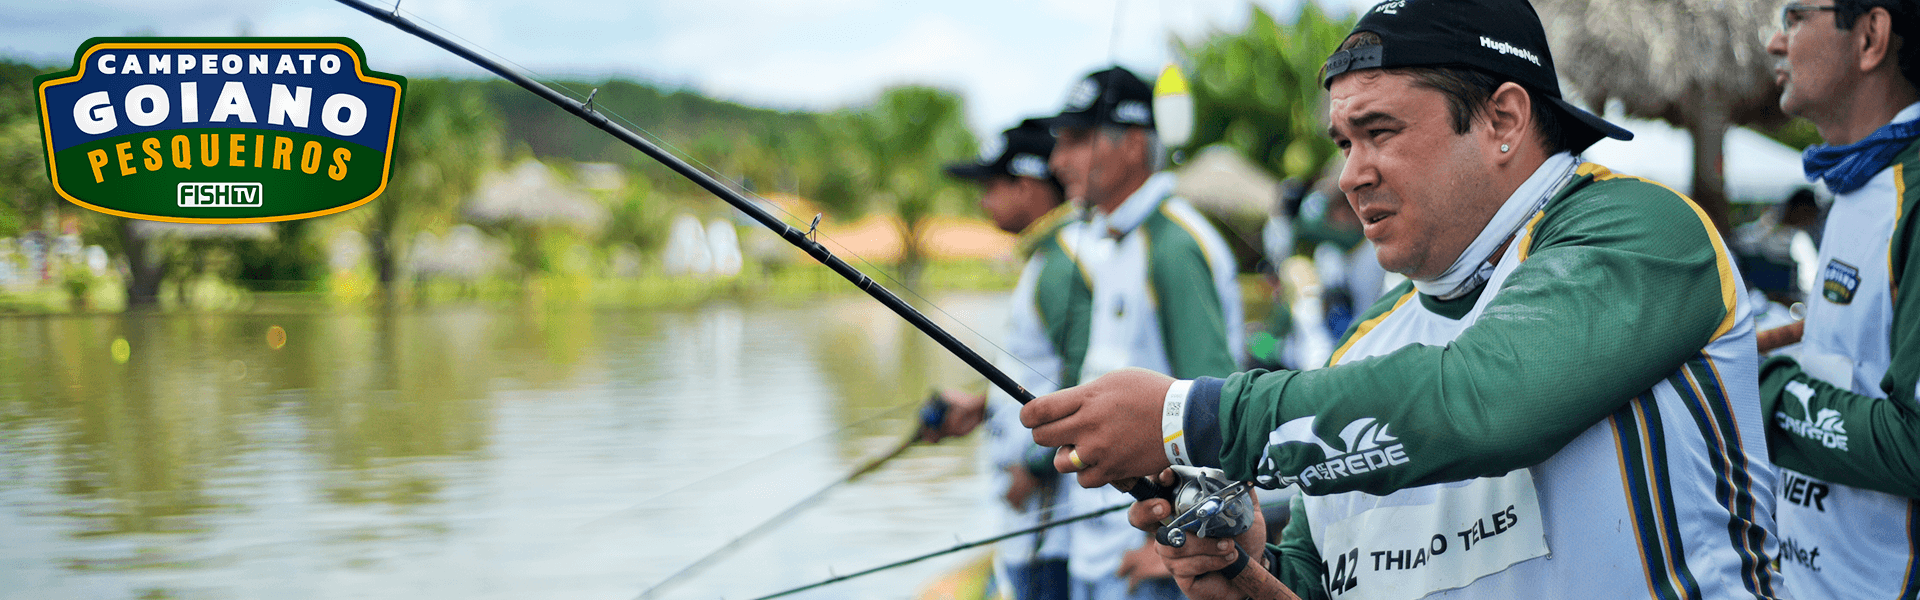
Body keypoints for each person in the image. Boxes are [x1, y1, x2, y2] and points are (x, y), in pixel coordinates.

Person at [1022, 0, 1781, 598]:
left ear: (1504, 120)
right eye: (1343, 142)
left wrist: (1188, 420)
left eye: (1379, 130)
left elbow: (1487, 401)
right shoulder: (1364, 347)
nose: (1352, 173)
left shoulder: (1640, 231)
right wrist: (1239, 577)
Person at [1040, 66, 1246, 600]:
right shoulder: (1119, 241)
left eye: (1076, 141)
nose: (1057, 160)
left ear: (1133, 145)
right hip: (1106, 546)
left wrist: (1180, 546)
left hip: (1154, 559)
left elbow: (1216, 403)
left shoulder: (1173, 246)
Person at [1761, 1, 1920, 597]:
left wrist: (1768, 388)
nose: (1776, 43)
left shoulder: (1913, 195)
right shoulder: (1859, 180)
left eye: (1795, 17)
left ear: (1871, 37)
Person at [923, 119, 1083, 600]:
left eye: (992, 186)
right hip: (1032, 518)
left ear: (1030, 185)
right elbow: (1042, 369)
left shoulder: (1063, 263)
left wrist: (1036, 468)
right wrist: (982, 405)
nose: (982, 200)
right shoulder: (1046, 258)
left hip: (1051, 523)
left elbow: (1087, 380)